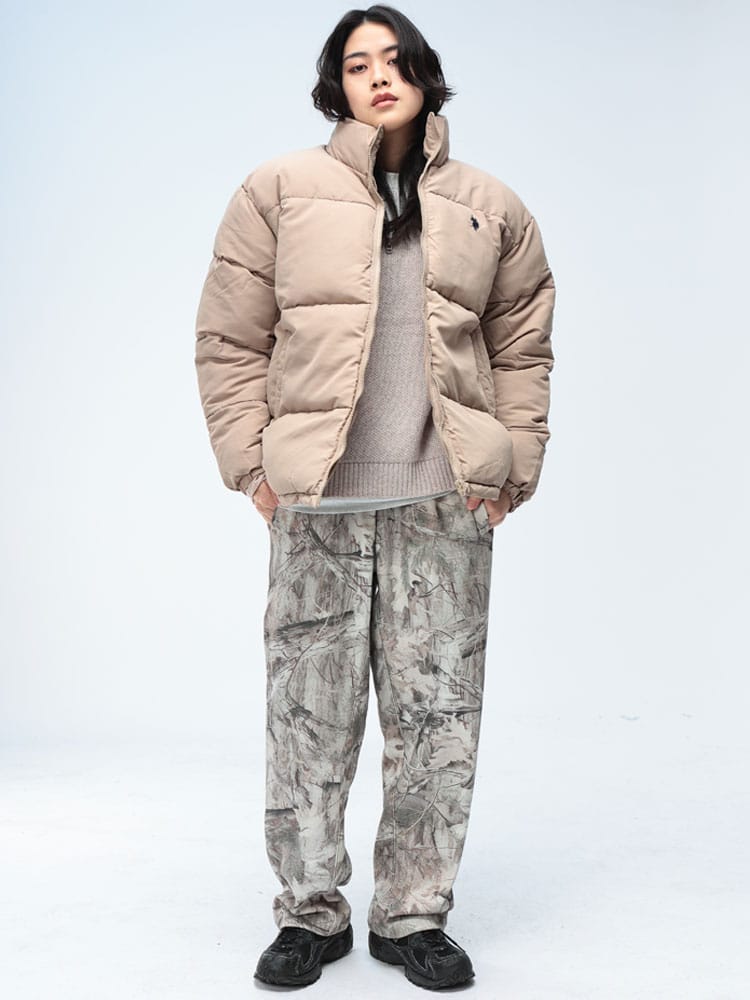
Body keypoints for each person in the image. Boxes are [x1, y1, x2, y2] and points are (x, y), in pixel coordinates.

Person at [194, 4, 555, 990]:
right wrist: (253, 467)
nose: (380, 77)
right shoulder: (277, 190)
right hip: (317, 505)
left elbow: (523, 346)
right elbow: (229, 340)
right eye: (359, 65)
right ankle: (310, 912)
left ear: (425, 75)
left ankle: (412, 913)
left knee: (438, 717)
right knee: (307, 717)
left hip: (445, 503)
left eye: (396, 60)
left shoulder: (490, 204)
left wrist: (513, 466)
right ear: (337, 86)